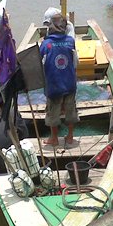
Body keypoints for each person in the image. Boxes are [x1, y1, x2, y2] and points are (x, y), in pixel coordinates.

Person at [40, 14, 79, 146]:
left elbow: (40, 63)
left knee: (53, 113)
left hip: (54, 85)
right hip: (69, 83)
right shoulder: (70, 41)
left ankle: (54, 138)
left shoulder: (46, 44)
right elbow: (75, 62)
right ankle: (70, 136)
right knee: (70, 110)